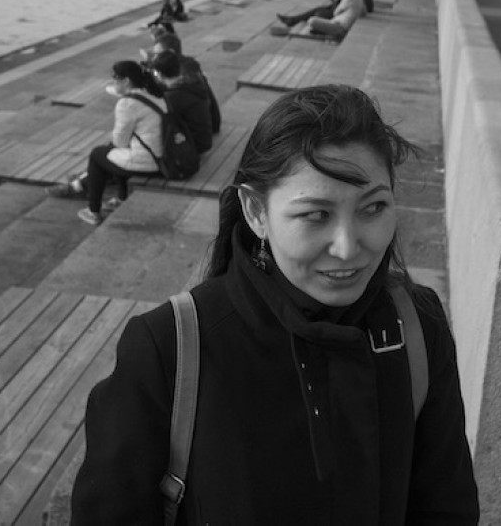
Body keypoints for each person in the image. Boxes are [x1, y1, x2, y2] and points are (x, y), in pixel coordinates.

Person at [71, 85, 479, 524]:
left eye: (373, 207)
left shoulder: (417, 326)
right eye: (316, 215)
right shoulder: (170, 346)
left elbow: (445, 507)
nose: (348, 248)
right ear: (255, 212)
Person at [75, 61, 164, 226]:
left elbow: (120, 141)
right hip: (162, 157)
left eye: (115, 78)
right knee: (112, 152)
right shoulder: (153, 96)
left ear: (126, 81)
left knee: (98, 155)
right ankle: (121, 197)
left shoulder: (127, 104)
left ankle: (93, 211)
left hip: (151, 163)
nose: (113, 81)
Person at [147, 50, 216, 153]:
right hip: (204, 139)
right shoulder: (190, 82)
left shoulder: (172, 97)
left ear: (160, 74)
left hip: (195, 145)